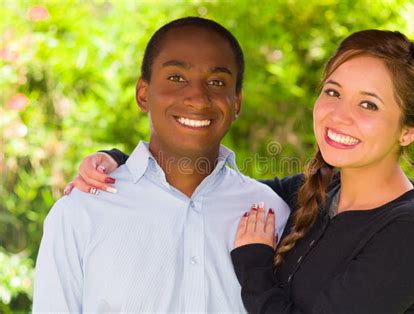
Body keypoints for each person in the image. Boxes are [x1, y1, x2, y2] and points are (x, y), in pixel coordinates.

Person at [71, 29, 414, 313]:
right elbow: (213, 187)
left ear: (409, 130)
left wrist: (253, 261)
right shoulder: (315, 191)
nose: (339, 116)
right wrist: (120, 162)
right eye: (332, 92)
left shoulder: (407, 235)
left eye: (368, 104)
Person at [33, 17, 290, 313]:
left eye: (217, 82)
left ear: (237, 103)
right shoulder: (80, 212)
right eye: (177, 77)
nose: (197, 97)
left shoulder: (272, 214)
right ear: (143, 94)